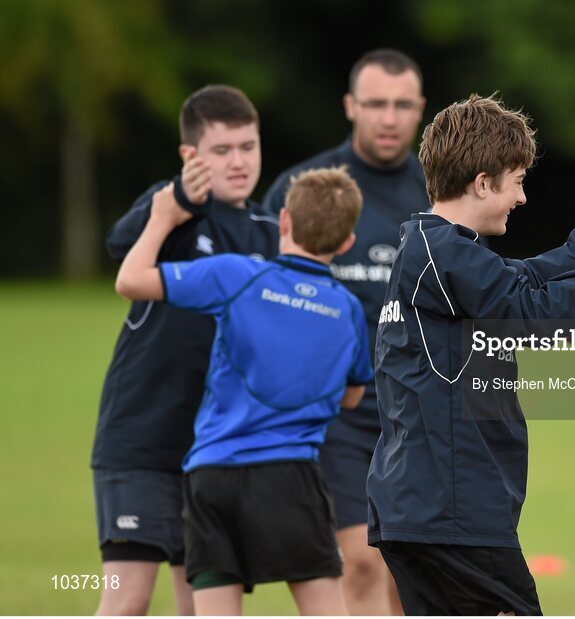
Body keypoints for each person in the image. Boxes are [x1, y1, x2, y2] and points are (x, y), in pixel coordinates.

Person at [366, 96, 575, 615]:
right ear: (483, 183)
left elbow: (531, 276)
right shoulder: (439, 254)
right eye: (518, 181)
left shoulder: (441, 251)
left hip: (427, 510)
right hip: (452, 511)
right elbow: (532, 314)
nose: (523, 198)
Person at [113, 166, 373, 615]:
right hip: (291, 477)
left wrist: (159, 219)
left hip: (213, 477)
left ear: (284, 222)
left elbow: (130, 280)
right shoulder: (346, 309)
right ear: (347, 242)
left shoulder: (237, 275)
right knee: (327, 608)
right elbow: (352, 397)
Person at [91, 85, 278, 615]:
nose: (239, 162)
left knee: (200, 607)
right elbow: (119, 250)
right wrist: (170, 209)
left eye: (248, 146)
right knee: (127, 599)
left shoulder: (269, 233)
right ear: (190, 156)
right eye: (222, 150)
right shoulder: (170, 211)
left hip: (218, 448)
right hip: (143, 438)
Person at [261, 48, 427, 614]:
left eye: (403, 105)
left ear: (420, 109)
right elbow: (262, 302)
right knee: (360, 558)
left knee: (414, 565)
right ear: (350, 106)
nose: (389, 117)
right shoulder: (304, 190)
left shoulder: (445, 192)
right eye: (376, 103)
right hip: (340, 415)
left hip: (422, 411)